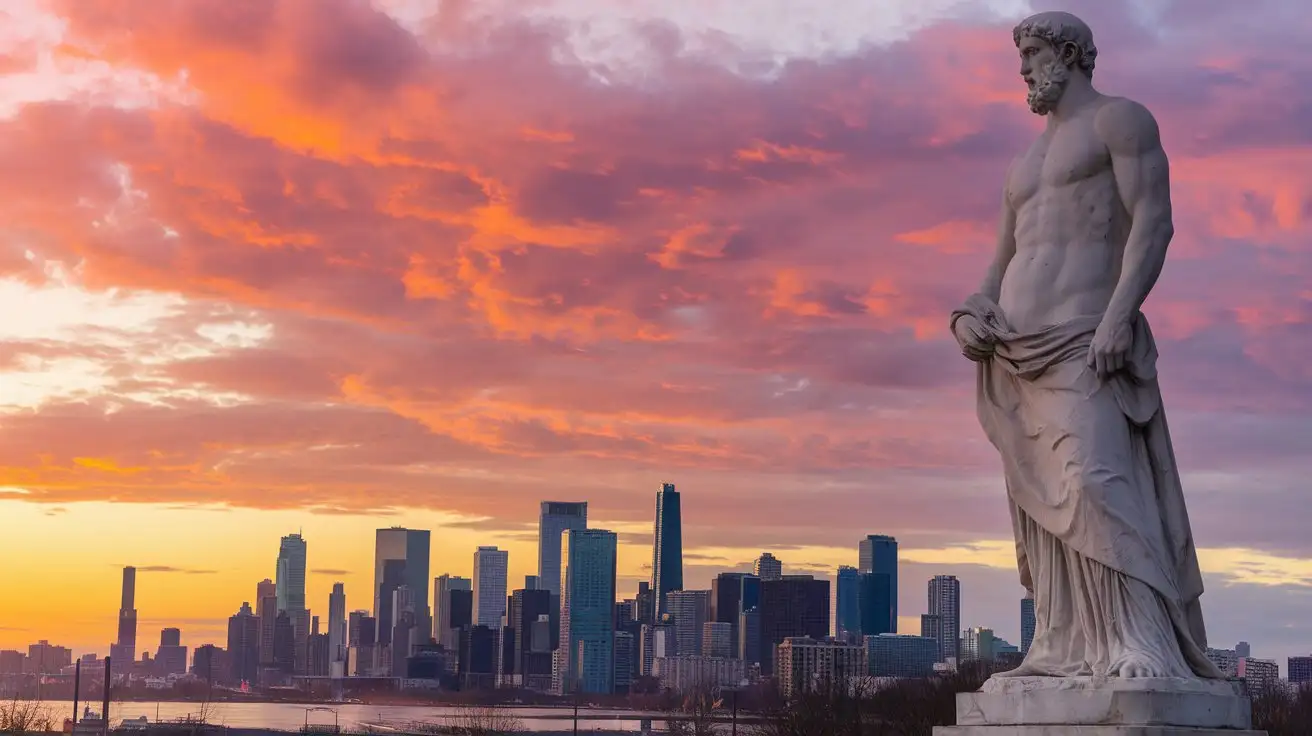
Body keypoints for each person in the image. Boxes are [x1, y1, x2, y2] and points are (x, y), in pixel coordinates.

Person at [950, 11, 1222, 680]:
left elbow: (1152, 225)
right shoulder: (1024, 163)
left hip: (1084, 336)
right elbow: (1000, 263)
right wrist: (968, 316)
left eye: (1033, 51)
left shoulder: (1120, 121)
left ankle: (1139, 641)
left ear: (1070, 54)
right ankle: (1063, 642)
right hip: (1016, 352)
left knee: (1096, 485)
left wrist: (1118, 318)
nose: (1023, 68)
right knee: (1043, 513)